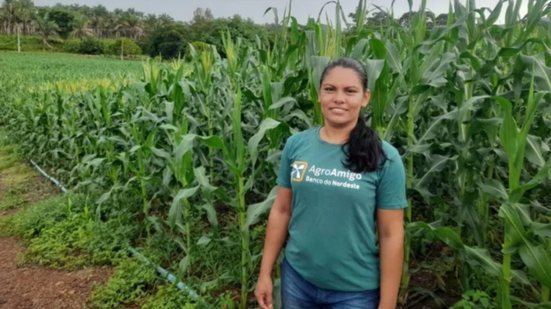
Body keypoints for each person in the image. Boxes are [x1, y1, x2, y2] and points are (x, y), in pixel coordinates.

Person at [254, 58, 407, 309]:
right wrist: (264, 273)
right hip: (297, 280)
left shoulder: (385, 158)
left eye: (350, 91)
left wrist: (387, 304)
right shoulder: (296, 145)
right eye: (330, 89)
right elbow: (281, 210)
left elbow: (391, 235)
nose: (339, 98)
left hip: (355, 293)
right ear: (319, 95)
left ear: (365, 97)